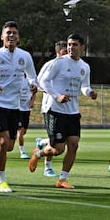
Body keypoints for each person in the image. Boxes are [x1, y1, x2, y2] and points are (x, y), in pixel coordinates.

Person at [28, 33, 98, 189]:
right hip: (55, 110)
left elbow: (84, 86)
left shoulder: (84, 67)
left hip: (73, 112)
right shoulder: (59, 63)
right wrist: (57, 96)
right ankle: (38, 154)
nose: (71, 47)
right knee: (58, 149)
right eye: (69, 44)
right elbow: (42, 82)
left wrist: (90, 92)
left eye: (74, 45)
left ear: (82, 47)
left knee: (73, 145)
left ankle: (62, 179)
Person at [0, 21, 38, 193]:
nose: (11, 36)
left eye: (14, 33)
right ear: (2, 36)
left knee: (9, 146)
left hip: (15, 105)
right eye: (8, 33)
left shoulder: (25, 56)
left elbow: (32, 77)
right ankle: (2, 181)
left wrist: (34, 85)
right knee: (4, 142)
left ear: (18, 37)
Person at [34, 40, 68, 177]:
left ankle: (42, 142)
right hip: (51, 107)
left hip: (66, 109)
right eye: (65, 52)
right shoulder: (50, 65)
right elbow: (39, 83)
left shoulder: (71, 66)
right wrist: (56, 94)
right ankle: (47, 167)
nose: (67, 54)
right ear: (58, 52)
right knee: (56, 144)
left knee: (64, 140)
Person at [17, 74, 36, 159]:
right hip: (17, 109)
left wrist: (32, 101)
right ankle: (22, 152)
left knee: (24, 131)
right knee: (20, 131)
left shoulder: (30, 80)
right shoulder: (16, 78)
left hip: (26, 109)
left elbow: (34, 92)